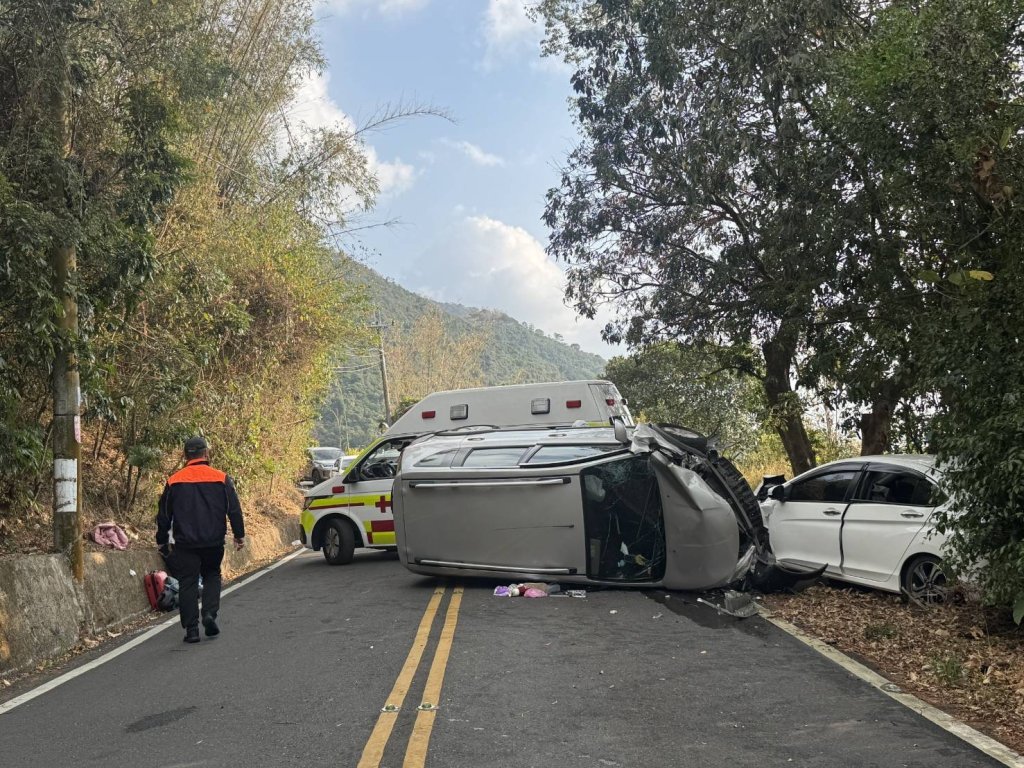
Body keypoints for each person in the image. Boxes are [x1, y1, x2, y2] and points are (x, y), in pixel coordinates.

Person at [156, 436, 245, 644]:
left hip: (185, 543)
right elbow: (234, 510)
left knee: (187, 582)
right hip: (213, 541)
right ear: (206, 454)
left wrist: (162, 540)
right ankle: (209, 614)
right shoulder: (221, 478)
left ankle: (192, 630)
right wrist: (239, 535)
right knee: (212, 575)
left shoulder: (174, 481)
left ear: (186, 455)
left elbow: (163, 515)